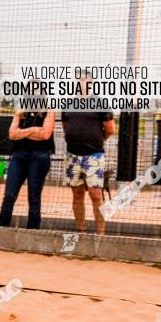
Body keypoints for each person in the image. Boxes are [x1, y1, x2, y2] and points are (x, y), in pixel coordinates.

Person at [62, 73, 115, 234]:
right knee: (77, 195)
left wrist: (97, 140)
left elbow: (111, 129)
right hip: (72, 156)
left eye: (84, 79)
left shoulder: (100, 102)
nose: (81, 82)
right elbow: (66, 127)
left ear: (91, 83)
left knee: (96, 195)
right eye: (78, 79)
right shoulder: (68, 103)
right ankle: (81, 231)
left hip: (94, 155)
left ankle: (101, 234)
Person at [0, 103, 55, 229]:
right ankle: (1, 228)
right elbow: (12, 135)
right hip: (18, 157)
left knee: (34, 196)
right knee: (9, 195)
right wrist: (34, 130)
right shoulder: (20, 112)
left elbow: (45, 135)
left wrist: (21, 133)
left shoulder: (49, 111)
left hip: (40, 157)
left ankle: (32, 230)